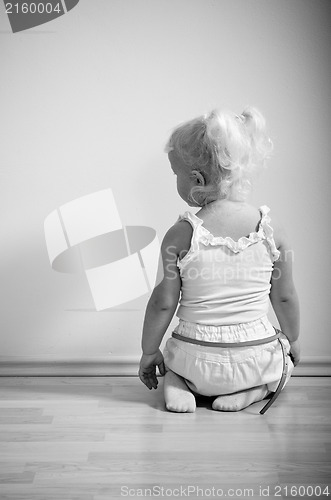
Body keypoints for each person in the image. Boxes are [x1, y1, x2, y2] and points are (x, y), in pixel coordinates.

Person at [138, 107, 300, 413]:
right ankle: (251, 392)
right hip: (253, 357)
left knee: (175, 366)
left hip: (196, 360)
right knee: (281, 366)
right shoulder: (270, 230)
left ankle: (178, 384)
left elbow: (162, 302)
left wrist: (149, 352)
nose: (176, 180)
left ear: (196, 178)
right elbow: (286, 297)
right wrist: (293, 340)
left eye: (176, 174)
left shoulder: (181, 235)